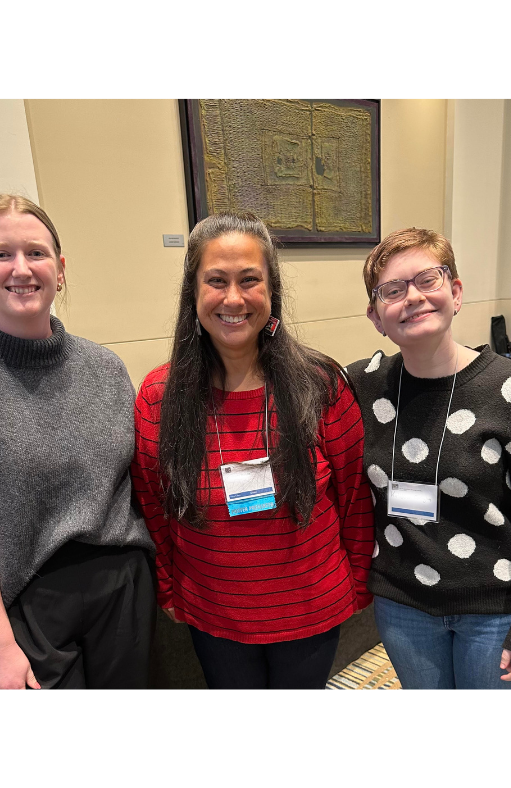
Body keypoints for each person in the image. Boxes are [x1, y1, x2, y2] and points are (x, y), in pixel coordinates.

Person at [130, 211, 374, 690]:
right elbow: (154, 508)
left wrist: (361, 582)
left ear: (271, 289)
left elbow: (354, 498)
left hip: (311, 607)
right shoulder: (160, 396)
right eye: (216, 281)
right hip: (213, 609)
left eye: (249, 280)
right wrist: (167, 588)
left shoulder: (320, 384)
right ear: (193, 293)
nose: (233, 299)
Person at [0, 194, 156, 690]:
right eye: (1, 254)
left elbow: (132, 484)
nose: (21, 268)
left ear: (59, 268)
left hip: (123, 587)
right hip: (21, 602)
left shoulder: (104, 368)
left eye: (36, 253)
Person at [345, 228, 511, 690]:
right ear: (375, 316)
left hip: (493, 609)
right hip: (403, 604)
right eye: (392, 290)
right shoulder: (362, 384)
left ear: (455, 292)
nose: (412, 298)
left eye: (427, 280)